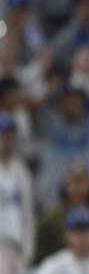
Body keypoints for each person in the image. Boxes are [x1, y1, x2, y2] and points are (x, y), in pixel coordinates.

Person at [0, 114, 34, 266]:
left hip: (15, 244)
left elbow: (27, 213)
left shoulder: (21, 171)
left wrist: (28, 250)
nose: (6, 139)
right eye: (3, 134)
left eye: (10, 135)